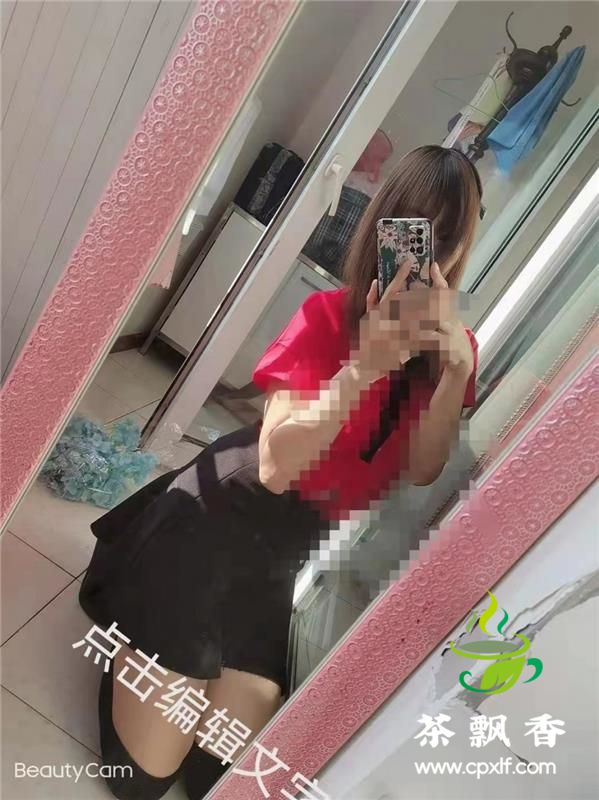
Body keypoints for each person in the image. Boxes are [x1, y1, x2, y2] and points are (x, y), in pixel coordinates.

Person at [78, 145, 483, 800]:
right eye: (415, 229)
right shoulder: (325, 317)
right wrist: (364, 368)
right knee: (143, 782)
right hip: (217, 522)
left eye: (446, 234)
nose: (427, 254)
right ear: (385, 228)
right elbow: (272, 465)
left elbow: (421, 469)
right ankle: (136, 614)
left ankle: (171, 655)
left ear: (463, 245)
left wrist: (454, 373)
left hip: (285, 561)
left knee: (219, 776)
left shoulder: (457, 353)